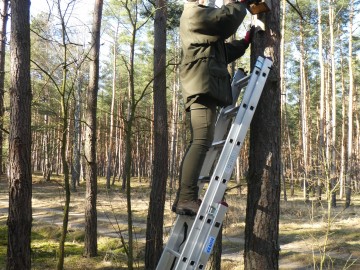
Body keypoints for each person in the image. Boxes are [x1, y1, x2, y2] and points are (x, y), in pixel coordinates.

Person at [173, 0, 261, 216]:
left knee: (202, 140)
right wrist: (239, 3)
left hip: (203, 84)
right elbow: (225, 21)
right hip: (201, 85)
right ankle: (186, 198)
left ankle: (185, 197)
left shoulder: (202, 23)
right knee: (201, 141)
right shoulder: (194, 13)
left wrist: (245, 42)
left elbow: (222, 52)